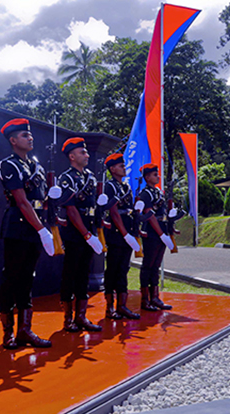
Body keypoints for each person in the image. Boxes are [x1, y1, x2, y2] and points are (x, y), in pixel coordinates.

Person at [0, 118, 55, 349]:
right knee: (12, 277)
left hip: (35, 225)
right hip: (19, 225)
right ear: (13, 140)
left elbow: (41, 199)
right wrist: (41, 230)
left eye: (29, 135)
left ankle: (25, 331)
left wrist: (53, 196)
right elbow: (21, 201)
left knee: (28, 278)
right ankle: (8, 334)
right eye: (23, 135)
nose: (29, 138)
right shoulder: (8, 164)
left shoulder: (37, 166)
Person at [50, 137, 103, 332]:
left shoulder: (90, 176)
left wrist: (95, 230)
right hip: (75, 231)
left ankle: (82, 317)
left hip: (89, 228)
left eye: (86, 151)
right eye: (82, 152)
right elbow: (71, 209)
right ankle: (68, 319)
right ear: (72, 156)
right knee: (70, 274)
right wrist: (87, 235)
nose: (86, 154)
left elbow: (94, 205)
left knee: (84, 274)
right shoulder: (67, 178)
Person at [98, 153, 142, 320]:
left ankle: (122, 306)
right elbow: (114, 213)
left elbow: (128, 211)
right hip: (116, 234)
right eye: (120, 165)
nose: (124, 168)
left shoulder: (125, 187)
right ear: (112, 169)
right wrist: (125, 234)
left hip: (127, 232)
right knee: (113, 270)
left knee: (124, 269)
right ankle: (110, 307)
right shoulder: (110, 187)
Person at [135, 163, 177, 311]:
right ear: (147, 177)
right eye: (154, 174)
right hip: (153, 232)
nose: (158, 176)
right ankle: (145, 300)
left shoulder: (158, 192)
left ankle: (155, 297)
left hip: (162, 229)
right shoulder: (146, 193)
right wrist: (160, 234)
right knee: (148, 265)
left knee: (156, 266)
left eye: (157, 174)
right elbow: (150, 215)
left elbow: (163, 212)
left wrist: (170, 227)